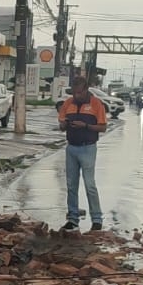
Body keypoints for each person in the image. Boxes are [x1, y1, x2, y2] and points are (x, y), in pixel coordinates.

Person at [57, 76, 108, 231]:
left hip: (88, 148)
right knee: (71, 185)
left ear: (86, 90)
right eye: (74, 93)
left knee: (89, 184)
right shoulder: (68, 104)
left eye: (79, 92)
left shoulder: (96, 104)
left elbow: (102, 127)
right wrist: (64, 124)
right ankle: (73, 218)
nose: (77, 96)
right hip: (71, 148)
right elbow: (61, 126)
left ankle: (97, 219)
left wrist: (85, 125)